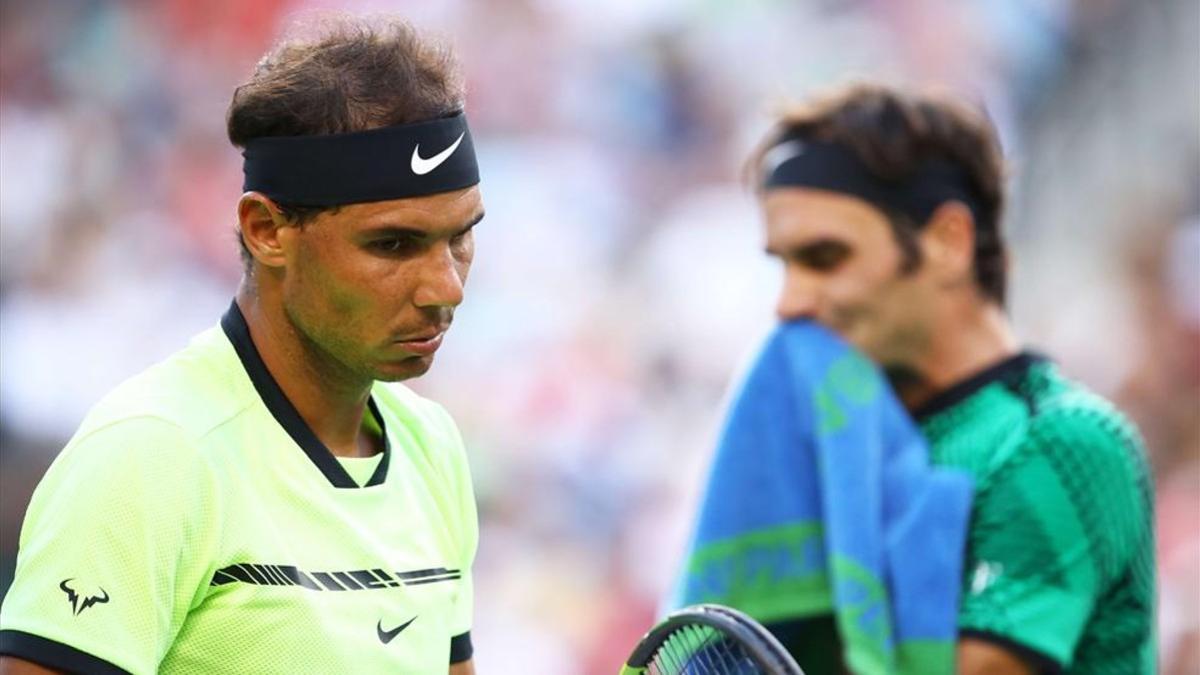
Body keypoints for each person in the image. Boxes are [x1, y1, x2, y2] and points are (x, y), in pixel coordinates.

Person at [0, 15, 483, 675]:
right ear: (267, 230)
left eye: (460, 237)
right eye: (393, 243)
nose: (445, 287)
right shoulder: (149, 456)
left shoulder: (434, 448)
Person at [747, 84, 1155, 674]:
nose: (789, 302)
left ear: (947, 243)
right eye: (782, 265)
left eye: (825, 257)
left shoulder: (1062, 442)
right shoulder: (841, 456)